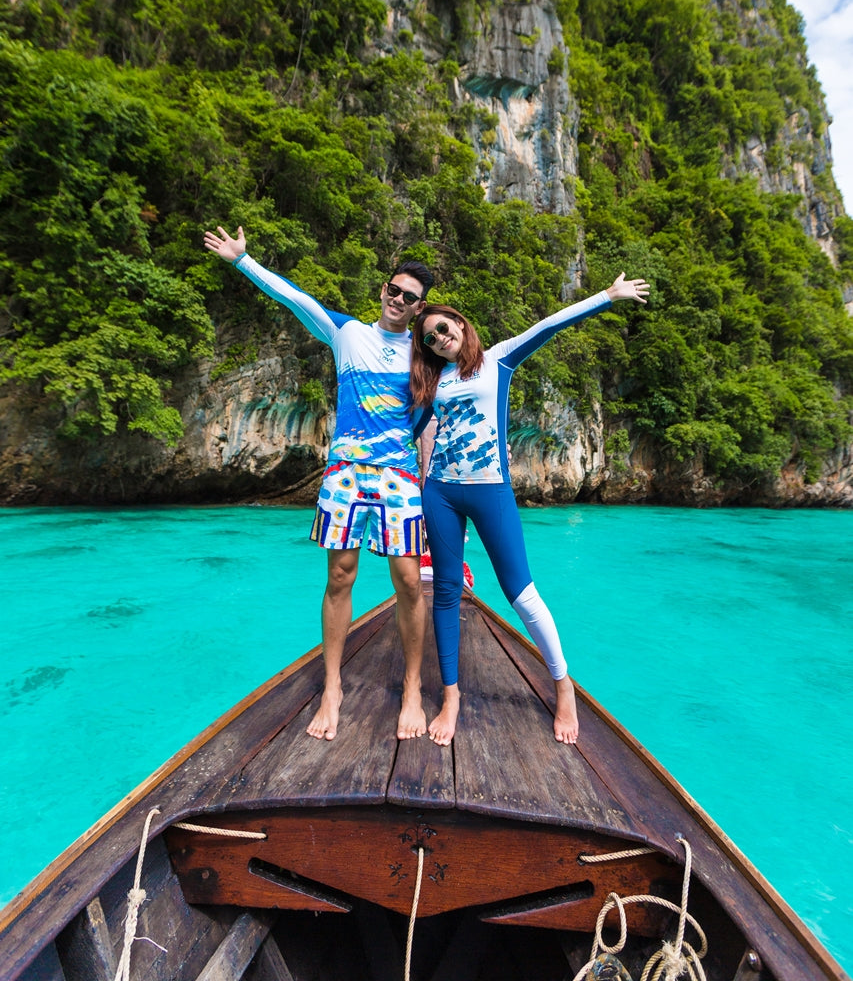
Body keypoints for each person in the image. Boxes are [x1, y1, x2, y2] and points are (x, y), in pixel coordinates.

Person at [203, 225, 435, 742]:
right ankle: (332, 686)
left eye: (409, 297)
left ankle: (414, 688)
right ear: (383, 291)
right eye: (393, 290)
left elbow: (437, 414)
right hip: (345, 474)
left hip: (399, 477)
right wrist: (243, 261)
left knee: (409, 582)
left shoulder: (424, 357)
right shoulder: (348, 333)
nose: (398, 300)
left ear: (419, 309)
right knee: (340, 577)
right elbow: (294, 299)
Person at [409, 273, 649, 747]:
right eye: (431, 337)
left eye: (444, 327)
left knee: (521, 592)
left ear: (460, 324)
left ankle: (563, 686)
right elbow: (404, 428)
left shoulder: (498, 360)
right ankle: (451, 696)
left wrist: (607, 297)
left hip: (489, 489)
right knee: (445, 592)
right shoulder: (434, 383)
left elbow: (550, 325)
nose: (440, 337)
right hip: (438, 491)